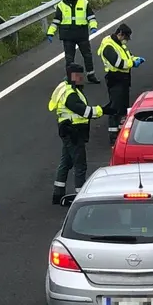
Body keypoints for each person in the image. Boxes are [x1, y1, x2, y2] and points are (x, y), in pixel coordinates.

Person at [49, 64, 112, 205]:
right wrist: (103, 110)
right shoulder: (70, 94)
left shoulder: (66, 88)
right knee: (80, 165)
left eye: (81, 75)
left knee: (66, 162)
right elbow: (84, 111)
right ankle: (80, 198)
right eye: (78, 75)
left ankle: (58, 193)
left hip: (69, 130)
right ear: (71, 76)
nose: (81, 78)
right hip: (73, 131)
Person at [98, 23, 145, 145]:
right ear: (120, 34)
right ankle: (113, 136)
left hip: (123, 79)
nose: (126, 41)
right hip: (115, 78)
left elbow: (128, 57)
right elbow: (118, 63)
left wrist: (135, 59)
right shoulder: (108, 46)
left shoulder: (119, 44)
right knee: (115, 107)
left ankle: (121, 132)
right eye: (125, 38)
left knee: (123, 107)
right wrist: (133, 63)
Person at [46, 0, 100, 85]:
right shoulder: (61, 5)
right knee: (69, 58)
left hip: (81, 34)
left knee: (87, 55)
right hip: (68, 35)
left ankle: (91, 75)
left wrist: (93, 27)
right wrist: (50, 32)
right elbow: (56, 20)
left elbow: (91, 17)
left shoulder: (84, 3)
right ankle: (72, 78)